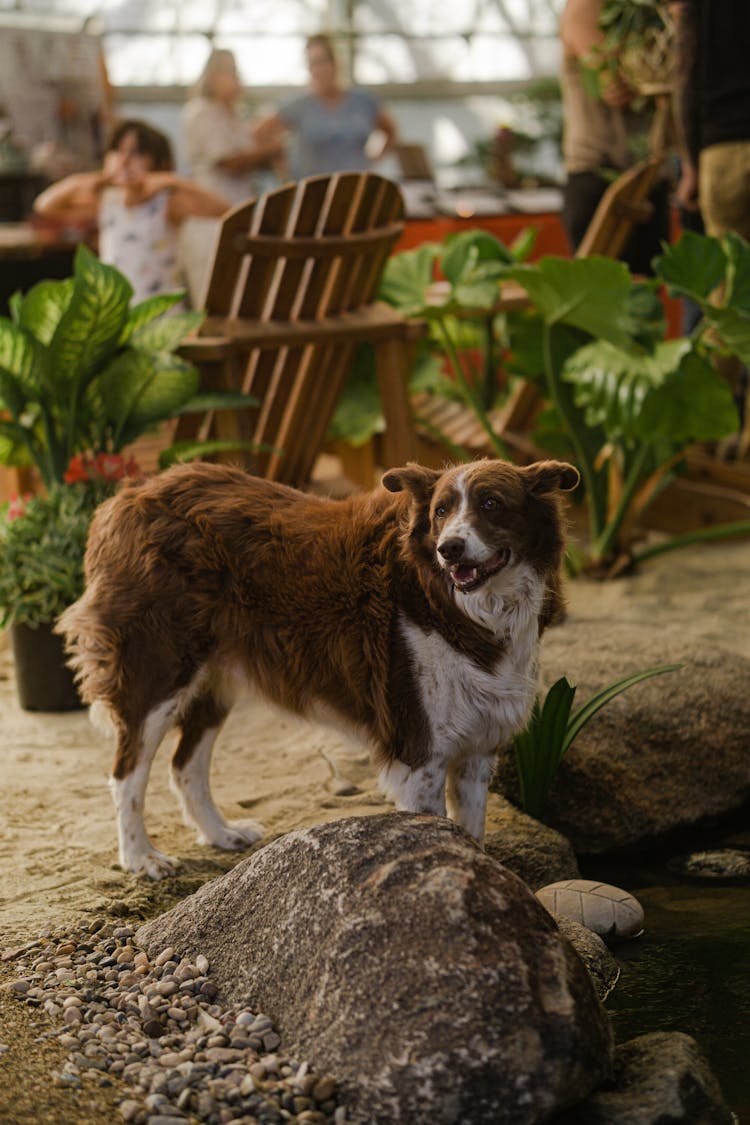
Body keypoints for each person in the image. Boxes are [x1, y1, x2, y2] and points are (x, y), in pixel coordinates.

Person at [33, 118, 228, 304]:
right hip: (119, 312)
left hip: (161, 315)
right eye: (118, 150)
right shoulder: (107, 203)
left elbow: (224, 209)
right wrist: (94, 179)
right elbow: (45, 205)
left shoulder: (166, 204)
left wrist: (172, 180)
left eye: (137, 153)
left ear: (158, 162)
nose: (125, 160)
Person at [559, 0, 671, 275]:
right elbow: (614, 87)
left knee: (646, 294)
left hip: (647, 176)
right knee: (601, 298)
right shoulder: (585, 7)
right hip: (599, 177)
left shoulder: (645, 12)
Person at [253, 34, 397, 180]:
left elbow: (390, 131)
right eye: (312, 64)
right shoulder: (299, 106)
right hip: (313, 192)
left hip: (355, 187)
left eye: (322, 62)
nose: (318, 69)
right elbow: (260, 132)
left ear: (335, 62)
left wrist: (374, 161)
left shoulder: (364, 102)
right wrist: (281, 165)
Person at [181, 48, 284, 206]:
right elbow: (230, 163)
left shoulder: (236, 115)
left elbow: (251, 159)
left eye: (236, 72)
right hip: (213, 209)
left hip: (240, 205)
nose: (237, 78)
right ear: (212, 77)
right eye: (230, 72)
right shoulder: (202, 112)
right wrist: (272, 148)